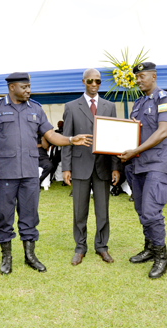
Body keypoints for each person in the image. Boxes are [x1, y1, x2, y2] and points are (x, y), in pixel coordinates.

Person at [0, 72, 92, 275]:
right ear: (12, 87)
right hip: (4, 174)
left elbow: (50, 135)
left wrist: (70, 139)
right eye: (24, 87)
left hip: (30, 174)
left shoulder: (36, 109)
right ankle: (7, 258)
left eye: (29, 86)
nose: (28, 90)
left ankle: (30, 256)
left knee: (30, 216)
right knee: (4, 217)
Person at [119, 62, 167, 279]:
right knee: (142, 211)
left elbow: (163, 132)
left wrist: (135, 149)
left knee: (152, 211)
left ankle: (163, 257)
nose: (138, 80)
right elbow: (137, 131)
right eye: (136, 77)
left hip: (156, 164)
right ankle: (150, 249)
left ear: (153, 76)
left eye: (142, 76)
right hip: (137, 165)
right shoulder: (138, 103)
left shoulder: (165, 99)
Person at [62, 68, 121, 266]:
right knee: (80, 211)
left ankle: (102, 247)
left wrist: (115, 167)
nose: (94, 84)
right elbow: (67, 139)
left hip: (103, 166)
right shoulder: (71, 107)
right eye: (90, 81)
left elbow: (114, 139)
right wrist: (66, 168)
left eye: (97, 81)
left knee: (103, 210)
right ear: (83, 82)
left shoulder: (109, 106)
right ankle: (80, 247)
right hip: (79, 166)